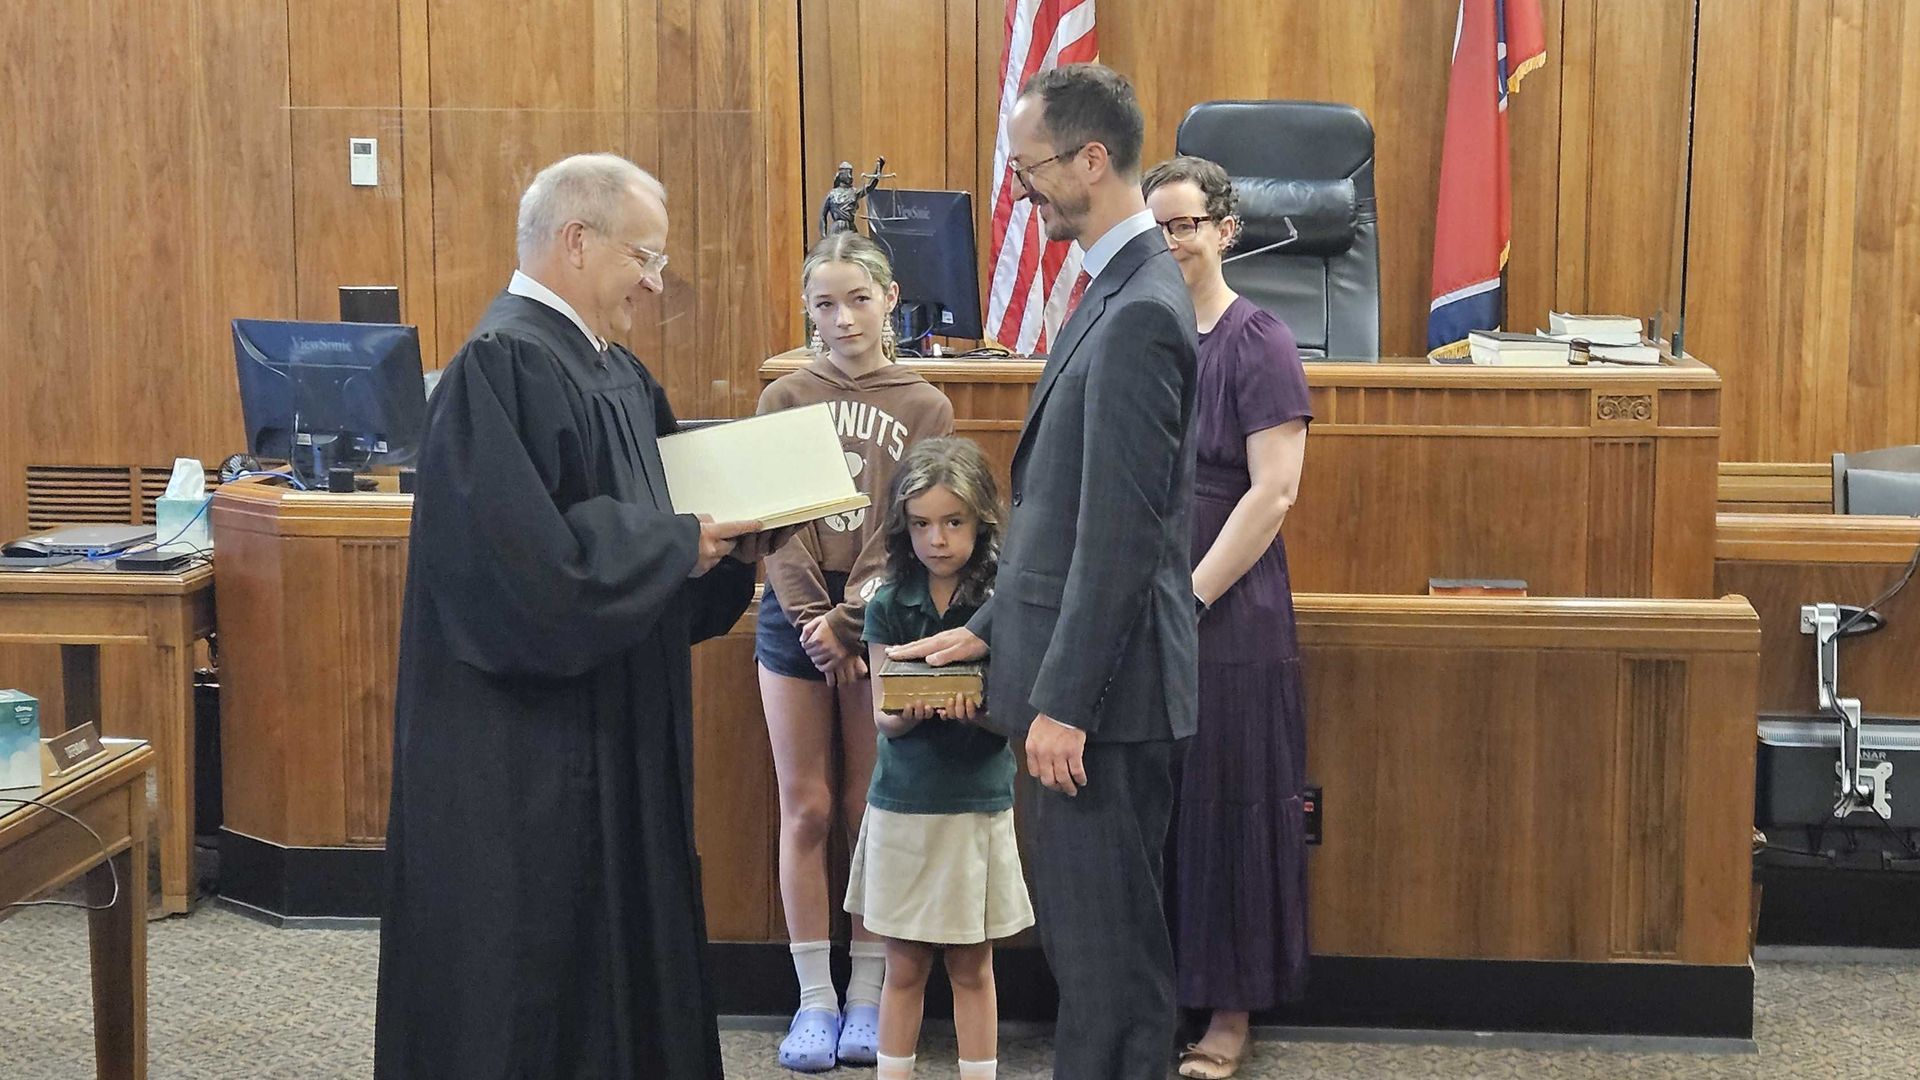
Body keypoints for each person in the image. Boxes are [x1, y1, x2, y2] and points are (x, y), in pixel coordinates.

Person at [374, 152, 793, 1080]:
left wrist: (731, 546)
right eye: (645, 258)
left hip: (615, 734)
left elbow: (660, 518)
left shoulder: (615, 371)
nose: (654, 282)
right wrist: (674, 547)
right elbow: (525, 575)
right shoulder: (501, 365)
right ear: (576, 241)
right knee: (536, 975)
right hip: (528, 757)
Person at [888, 63, 1200, 1080]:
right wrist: (992, 631)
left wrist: (1062, 699)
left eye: (1030, 172)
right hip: (1085, 688)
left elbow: (1122, 535)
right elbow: (1064, 522)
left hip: (1103, 706)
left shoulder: (1143, 309)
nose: (1021, 193)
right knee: (1092, 954)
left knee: (1110, 969)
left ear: (1093, 159)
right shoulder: (1116, 290)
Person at [755, 232, 956, 1071]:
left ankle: (869, 997)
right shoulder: (784, 397)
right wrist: (813, 617)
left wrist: (853, 619)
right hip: (793, 622)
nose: (843, 318)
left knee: (871, 809)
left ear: (889, 300)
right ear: (809, 310)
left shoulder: (924, 402)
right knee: (805, 807)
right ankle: (815, 1001)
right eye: (826, 303)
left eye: (859, 300)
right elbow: (772, 517)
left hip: (886, 623)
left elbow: (911, 527)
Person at [1143, 156, 1313, 1079]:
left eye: (1187, 225)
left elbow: (1274, 493)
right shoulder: (1142, 332)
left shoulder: (1259, 341)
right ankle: (1158, 990)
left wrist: (1190, 595)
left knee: (1228, 806)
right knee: (1158, 807)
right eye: (1158, 226)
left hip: (1229, 610)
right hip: (1151, 602)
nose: (1172, 242)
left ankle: (1230, 1012)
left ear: (1225, 230)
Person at [847, 436, 1034, 1080]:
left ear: (981, 522)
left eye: (954, 522)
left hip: (976, 803)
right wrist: (911, 709)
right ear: (903, 528)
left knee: (972, 964)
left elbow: (1013, 715)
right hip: (904, 802)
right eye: (922, 524)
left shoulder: (1003, 603)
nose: (938, 539)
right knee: (903, 964)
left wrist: (975, 710)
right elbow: (882, 718)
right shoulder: (888, 602)